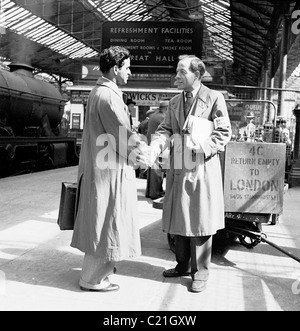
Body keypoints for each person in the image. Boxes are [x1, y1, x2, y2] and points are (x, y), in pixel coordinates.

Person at [148, 55, 232, 293]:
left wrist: (201, 149)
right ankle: (182, 265)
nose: (176, 76)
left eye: (181, 72)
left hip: (202, 168)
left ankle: (201, 272)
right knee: (179, 216)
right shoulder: (174, 102)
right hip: (177, 167)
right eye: (176, 71)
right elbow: (165, 129)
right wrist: (157, 144)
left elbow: (224, 132)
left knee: (201, 220)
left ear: (197, 74)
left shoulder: (214, 98)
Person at [71, 46, 150, 292]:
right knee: (109, 222)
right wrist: (143, 154)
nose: (130, 72)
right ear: (116, 69)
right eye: (127, 67)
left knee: (102, 222)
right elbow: (121, 136)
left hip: (102, 168)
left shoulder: (99, 92)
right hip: (110, 171)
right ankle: (92, 279)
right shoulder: (109, 96)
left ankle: (96, 275)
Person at [145, 100, 169, 200]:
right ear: (166, 108)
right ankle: (156, 193)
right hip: (157, 145)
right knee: (157, 171)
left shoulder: (153, 116)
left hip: (150, 143)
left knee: (152, 170)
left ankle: (150, 192)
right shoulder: (163, 117)